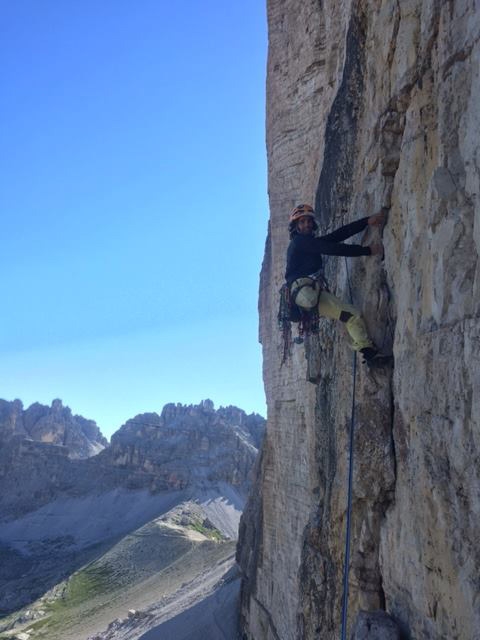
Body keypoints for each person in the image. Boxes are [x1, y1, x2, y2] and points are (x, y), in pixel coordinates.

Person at [285, 203, 388, 364]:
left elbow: (337, 236)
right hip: (305, 291)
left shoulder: (307, 244)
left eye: (309, 221)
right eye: (302, 222)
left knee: (350, 315)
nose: (307, 225)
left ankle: (369, 354)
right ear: (296, 227)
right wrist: (368, 251)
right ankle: (369, 353)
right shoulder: (300, 243)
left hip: (307, 293)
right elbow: (334, 249)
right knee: (351, 315)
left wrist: (366, 222)